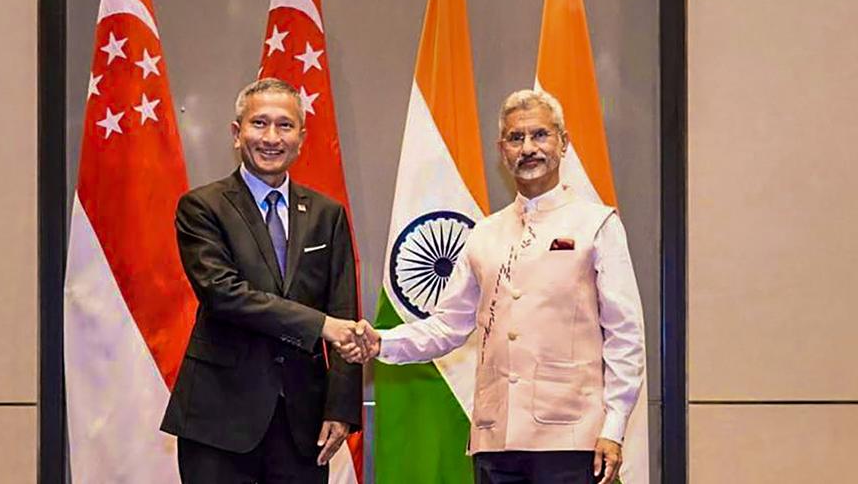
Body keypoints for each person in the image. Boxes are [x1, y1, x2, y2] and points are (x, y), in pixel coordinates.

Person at [339, 89, 645, 484]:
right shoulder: (484, 233)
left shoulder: (597, 225)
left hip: (573, 439)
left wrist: (614, 426)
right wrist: (380, 343)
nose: (529, 148)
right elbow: (448, 325)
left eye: (540, 135)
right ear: (502, 150)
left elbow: (625, 336)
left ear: (563, 143)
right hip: (495, 439)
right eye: (517, 138)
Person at [161, 78, 364, 484]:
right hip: (218, 419)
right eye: (260, 124)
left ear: (302, 138)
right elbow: (224, 294)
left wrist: (340, 409)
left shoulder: (328, 214)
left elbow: (344, 313)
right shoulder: (203, 207)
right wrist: (319, 325)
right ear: (237, 134)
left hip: (302, 423)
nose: (272, 138)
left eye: (285, 126)